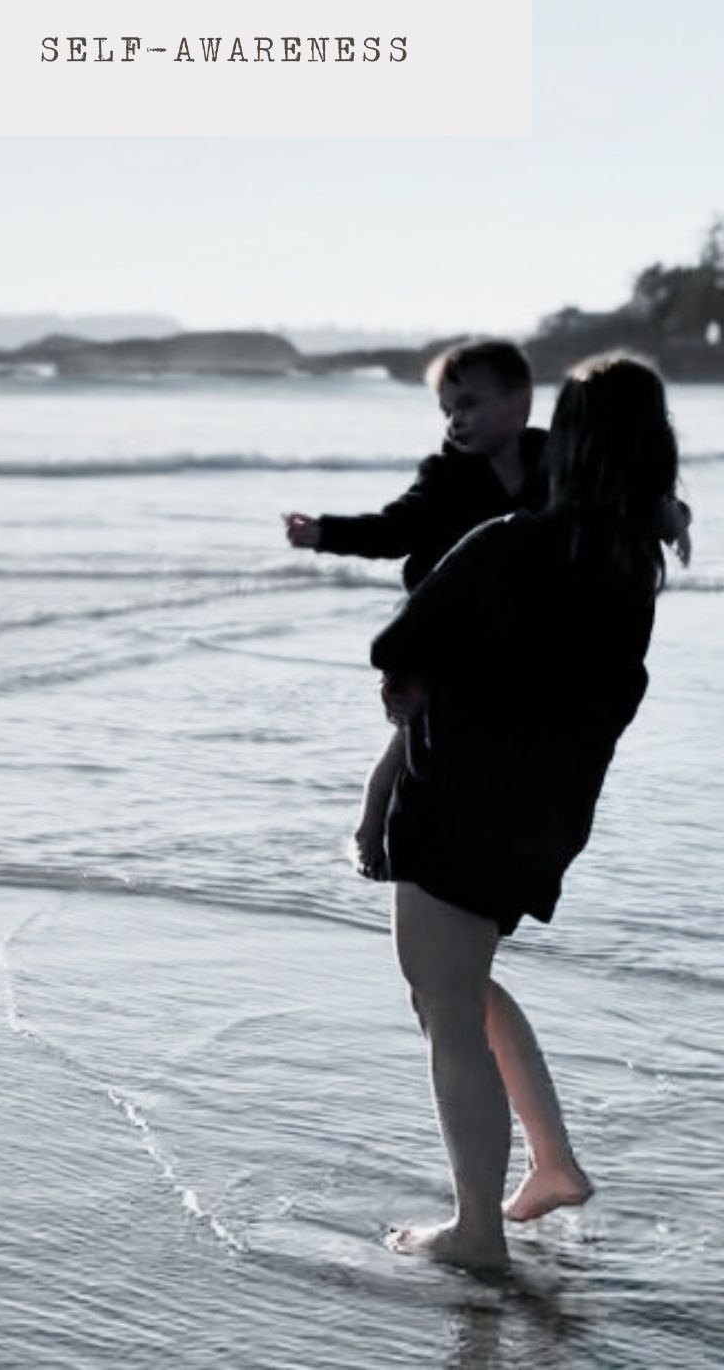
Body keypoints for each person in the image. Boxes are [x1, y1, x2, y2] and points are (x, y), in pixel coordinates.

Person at [368, 352, 688, 1273]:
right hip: (545, 818)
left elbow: (396, 642)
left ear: (567, 445)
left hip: (457, 804)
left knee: (444, 1002)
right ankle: (552, 1164)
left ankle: (476, 1232)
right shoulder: (632, 562)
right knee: (463, 984)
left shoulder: (512, 543)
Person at [284, 339, 548, 877]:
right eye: (447, 410)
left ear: (520, 402)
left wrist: (669, 513)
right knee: (412, 728)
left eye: (469, 404)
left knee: (473, 739)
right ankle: (372, 821)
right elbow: (394, 529)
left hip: (512, 635)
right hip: (440, 630)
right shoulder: (445, 476)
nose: (456, 421)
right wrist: (325, 533)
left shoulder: (556, 461)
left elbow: (616, 495)